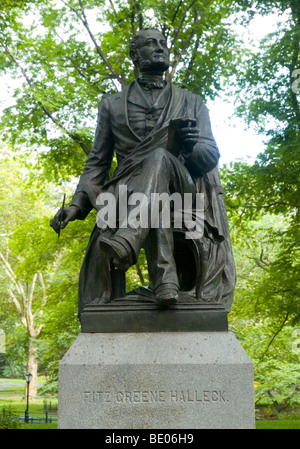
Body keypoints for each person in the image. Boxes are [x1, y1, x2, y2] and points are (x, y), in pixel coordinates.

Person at [50, 28, 236, 315]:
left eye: (163, 44)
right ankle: (165, 280)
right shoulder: (111, 104)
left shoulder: (192, 101)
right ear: (135, 55)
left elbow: (210, 156)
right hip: (129, 187)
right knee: (154, 190)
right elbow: (98, 162)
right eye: (152, 44)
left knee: (160, 157)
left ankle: (127, 239)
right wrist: (76, 206)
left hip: (182, 186)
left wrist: (189, 147)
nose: (161, 48)